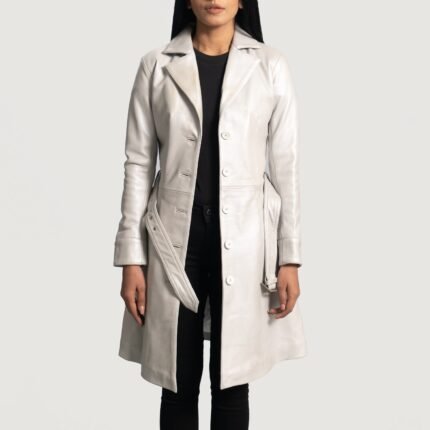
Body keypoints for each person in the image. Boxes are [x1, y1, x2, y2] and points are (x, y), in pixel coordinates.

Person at [113, 1, 306, 429]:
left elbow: (285, 166)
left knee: (232, 381)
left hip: (248, 241)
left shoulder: (270, 65)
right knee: (176, 381)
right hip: (173, 242)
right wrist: (131, 259)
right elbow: (138, 164)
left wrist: (289, 256)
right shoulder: (156, 66)